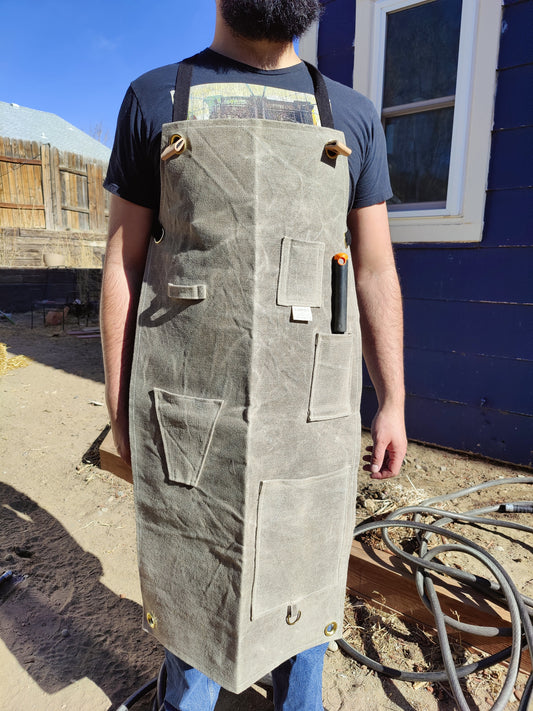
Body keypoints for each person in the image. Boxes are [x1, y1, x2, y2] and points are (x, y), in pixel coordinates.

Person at [101, 1, 407, 709]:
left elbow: (373, 268)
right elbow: (125, 259)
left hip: (311, 406)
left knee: (304, 565)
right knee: (195, 571)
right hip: (191, 401)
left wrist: (392, 398)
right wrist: (119, 402)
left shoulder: (351, 115)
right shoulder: (157, 97)